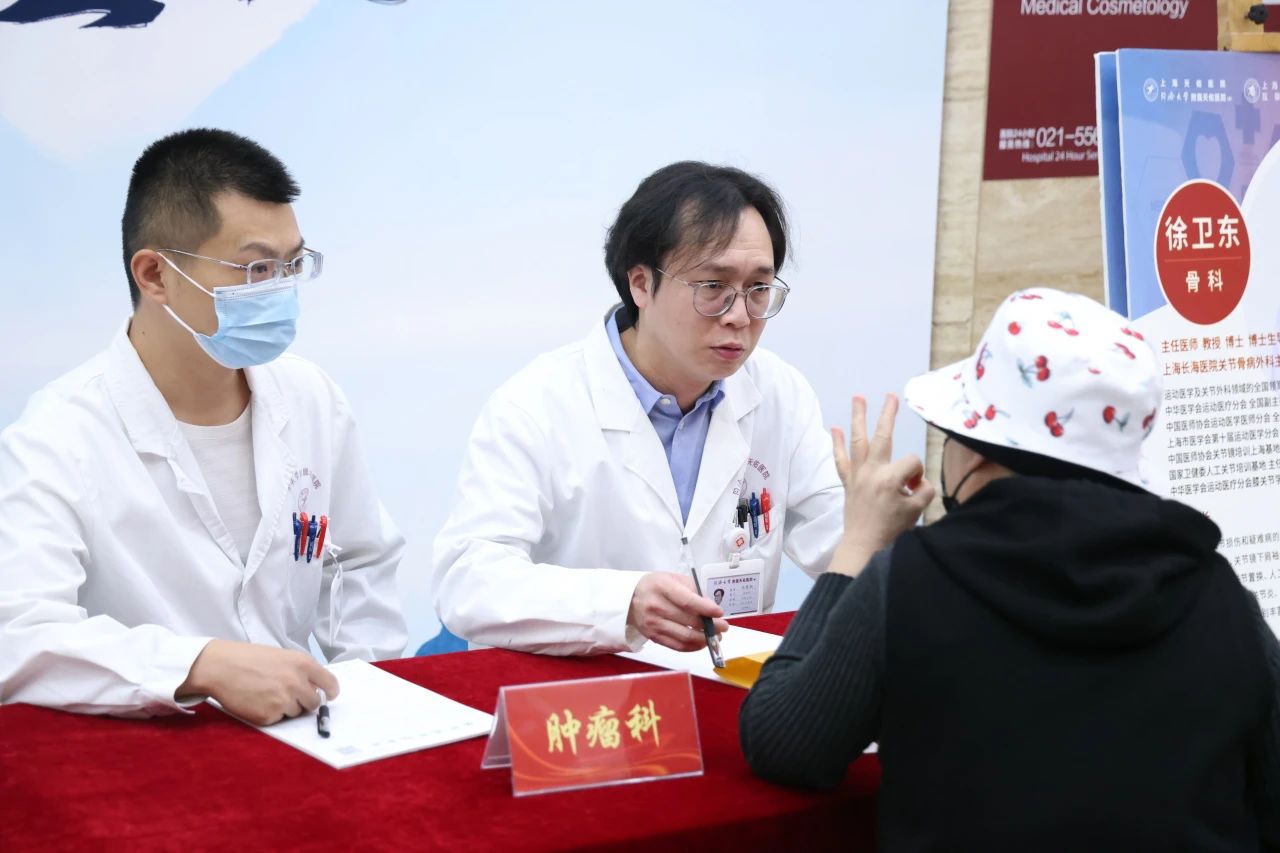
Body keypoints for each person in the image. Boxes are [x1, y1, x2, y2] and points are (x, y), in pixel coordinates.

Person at [739, 287, 1280, 849]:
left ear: (975, 449)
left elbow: (785, 742)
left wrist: (856, 545)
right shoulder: (1220, 596)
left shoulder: (912, 582)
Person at [0, 129, 407, 724]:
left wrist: (366, 696)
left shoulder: (310, 398)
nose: (281, 290)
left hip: (304, 736)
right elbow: (18, 635)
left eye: (293, 264)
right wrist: (196, 665)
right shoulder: (59, 436)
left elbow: (357, 563)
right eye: (256, 267)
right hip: (148, 743)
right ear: (154, 275)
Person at [433, 161, 843, 655]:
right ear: (641, 284)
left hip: (730, 687)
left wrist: (886, 523)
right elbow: (468, 580)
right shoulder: (536, 405)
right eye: (713, 287)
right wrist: (622, 602)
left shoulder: (780, 393)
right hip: (581, 692)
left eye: (758, 289)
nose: (739, 316)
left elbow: (839, 542)